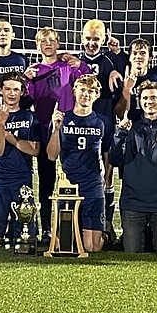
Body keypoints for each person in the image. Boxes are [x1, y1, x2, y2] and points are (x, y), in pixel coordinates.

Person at [26, 27, 90, 239]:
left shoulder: (69, 67)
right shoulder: (33, 72)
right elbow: (26, 100)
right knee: (46, 182)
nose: (48, 44)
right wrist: (24, 79)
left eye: (52, 40)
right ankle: (46, 229)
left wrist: (82, 65)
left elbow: (89, 83)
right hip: (45, 132)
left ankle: (76, 229)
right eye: (44, 41)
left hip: (71, 131)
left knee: (74, 179)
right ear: (38, 45)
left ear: (58, 43)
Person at [110, 79, 157, 255]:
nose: (149, 102)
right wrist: (120, 134)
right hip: (133, 202)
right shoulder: (129, 129)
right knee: (132, 253)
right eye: (144, 98)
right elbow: (114, 159)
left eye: (153, 98)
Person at [46, 74, 111, 253]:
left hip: (92, 184)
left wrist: (106, 179)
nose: (86, 95)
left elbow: (107, 155)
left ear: (96, 95)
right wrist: (56, 130)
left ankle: (104, 236)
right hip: (68, 184)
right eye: (82, 90)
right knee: (62, 246)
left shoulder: (103, 122)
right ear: (75, 92)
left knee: (92, 247)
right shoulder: (62, 119)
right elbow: (51, 156)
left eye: (91, 91)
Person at [77, 19, 127, 240]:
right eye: (88, 39)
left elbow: (130, 67)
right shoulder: (74, 63)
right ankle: (78, 223)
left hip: (105, 123)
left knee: (106, 176)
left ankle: (106, 223)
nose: (91, 43)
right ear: (82, 39)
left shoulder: (112, 60)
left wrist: (118, 60)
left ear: (104, 39)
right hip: (79, 127)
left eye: (96, 39)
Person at [0, 72, 41, 247]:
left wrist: (5, 134)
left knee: (25, 240)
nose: (12, 93)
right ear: (0, 90)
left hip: (22, 179)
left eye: (16, 89)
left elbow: (34, 150)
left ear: (22, 92)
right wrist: (0, 123)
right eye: (7, 89)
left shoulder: (31, 118)